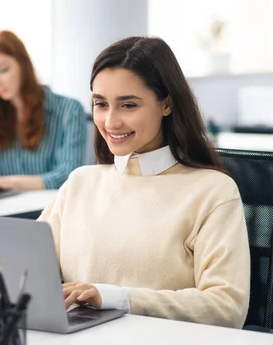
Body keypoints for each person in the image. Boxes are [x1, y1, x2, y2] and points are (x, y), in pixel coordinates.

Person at [39, 37, 250, 328]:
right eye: (101, 104)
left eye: (128, 105)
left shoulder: (213, 191)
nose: (111, 122)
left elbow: (227, 307)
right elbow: (23, 266)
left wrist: (118, 298)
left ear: (166, 104)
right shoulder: (80, 183)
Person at [0, 30, 87, 191]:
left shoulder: (69, 110)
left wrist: (10, 183)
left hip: (49, 211)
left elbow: (68, 176)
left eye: (3, 70)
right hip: (1, 211)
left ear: (23, 64)